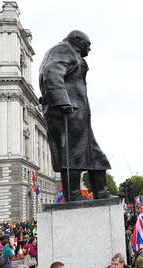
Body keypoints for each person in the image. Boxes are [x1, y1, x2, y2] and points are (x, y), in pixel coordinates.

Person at [39, 30, 111, 201]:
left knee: (94, 156)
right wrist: (62, 101)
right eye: (88, 44)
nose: (90, 49)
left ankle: (100, 193)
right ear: (77, 40)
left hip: (76, 114)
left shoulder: (71, 53)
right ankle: (73, 195)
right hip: (68, 112)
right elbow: (52, 72)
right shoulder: (63, 49)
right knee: (72, 154)